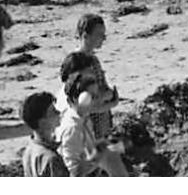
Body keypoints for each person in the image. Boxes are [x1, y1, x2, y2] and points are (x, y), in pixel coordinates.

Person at [57, 54, 127, 176]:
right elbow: (74, 171)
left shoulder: (83, 116)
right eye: (92, 97)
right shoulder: (73, 127)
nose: (96, 101)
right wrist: (99, 154)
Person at [72, 14, 118, 143]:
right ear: (85, 35)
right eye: (99, 35)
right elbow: (82, 106)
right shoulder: (77, 63)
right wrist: (110, 100)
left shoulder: (93, 59)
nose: (103, 39)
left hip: (100, 126)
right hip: (89, 130)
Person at [19, 91, 69, 176]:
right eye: (53, 111)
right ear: (42, 122)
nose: (58, 113)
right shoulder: (51, 159)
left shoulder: (29, 149)